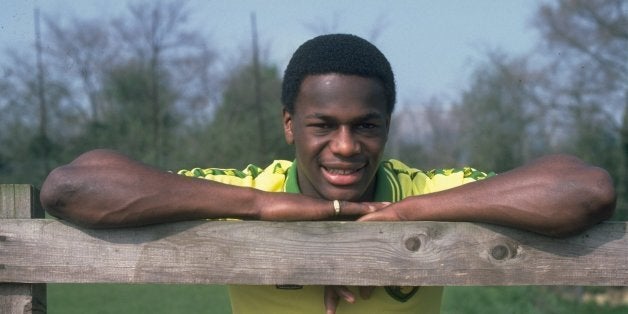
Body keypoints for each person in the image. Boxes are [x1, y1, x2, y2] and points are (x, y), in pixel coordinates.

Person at [40, 34, 616, 314]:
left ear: (388, 126)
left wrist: (401, 217)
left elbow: (587, 190)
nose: (345, 147)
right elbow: (69, 187)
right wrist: (263, 210)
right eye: (323, 126)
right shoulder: (249, 189)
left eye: (366, 125)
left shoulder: (423, 192)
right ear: (290, 125)